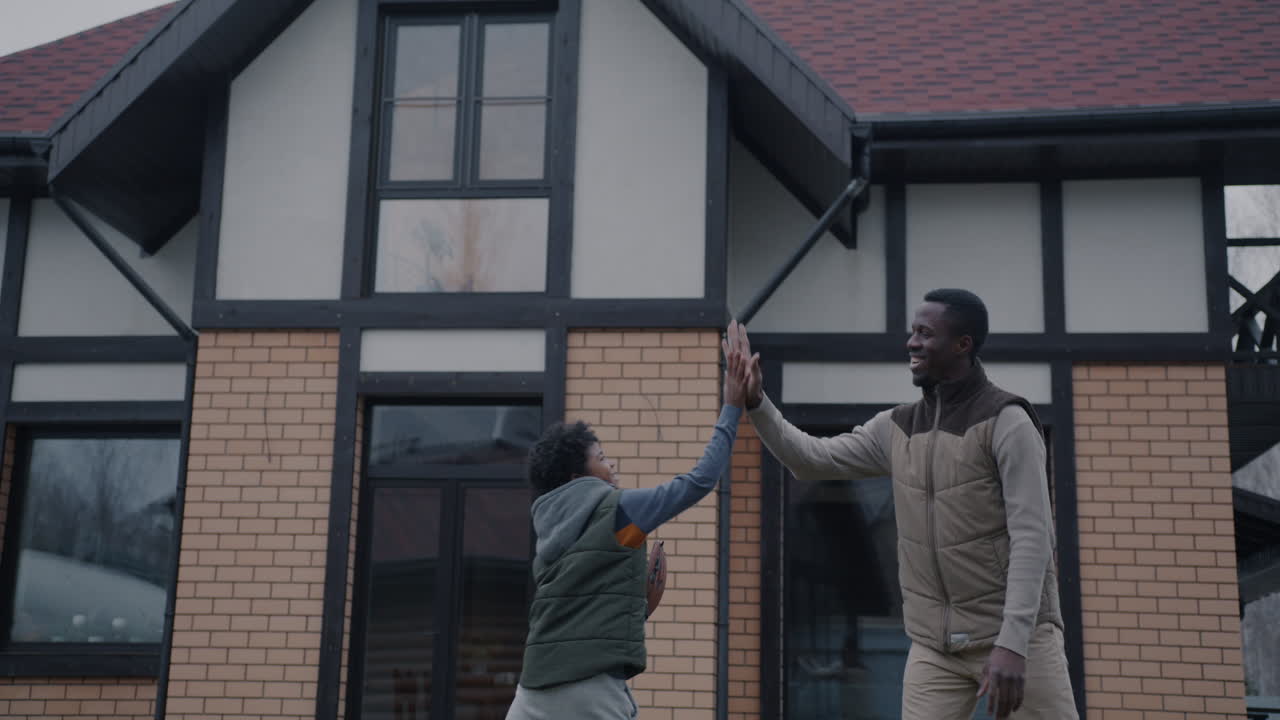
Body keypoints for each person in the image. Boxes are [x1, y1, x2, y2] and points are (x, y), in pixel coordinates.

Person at [726, 289, 1077, 720]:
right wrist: (757, 403)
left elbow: (1033, 538)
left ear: (962, 345)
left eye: (926, 334)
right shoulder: (896, 428)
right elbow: (810, 459)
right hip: (935, 649)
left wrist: (1013, 641)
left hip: (1015, 640)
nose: (911, 343)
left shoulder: (1006, 422)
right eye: (913, 332)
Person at [505, 343, 750, 720]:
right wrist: (732, 406)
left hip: (534, 688)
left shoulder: (548, 528)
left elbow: (582, 603)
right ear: (577, 478)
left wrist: (629, 604)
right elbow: (699, 482)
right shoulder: (620, 512)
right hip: (591, 689)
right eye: (601, 458)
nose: (611, 462)